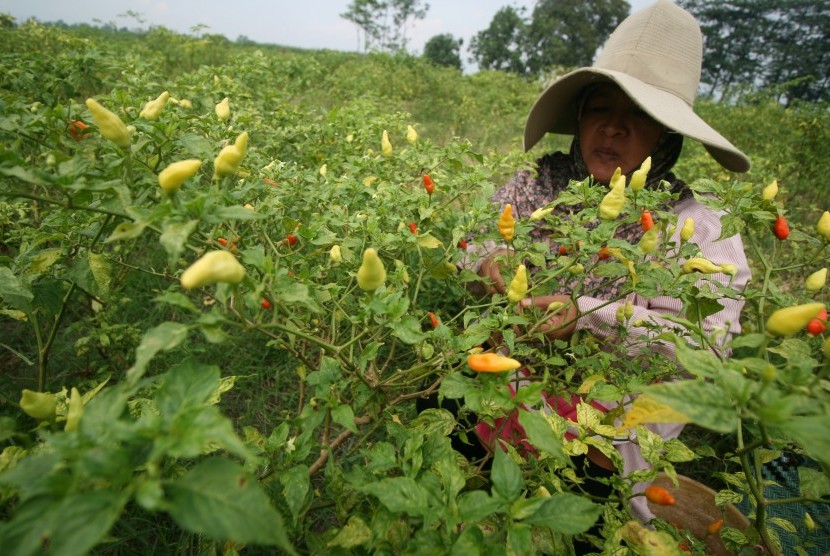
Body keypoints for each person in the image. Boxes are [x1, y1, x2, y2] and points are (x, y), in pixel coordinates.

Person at [465, 0, 751, 528]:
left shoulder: (700, 227)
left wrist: (590, 317)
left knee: (581, 511)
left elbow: (705, 345)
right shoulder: (538, 184)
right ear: (580, 117)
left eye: (639, 116)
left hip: (611, 423)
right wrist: (490, 260)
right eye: (601, 108)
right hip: (505, 381)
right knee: (457, 426)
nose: (613, 129)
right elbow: (475, 239)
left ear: (667, 136)